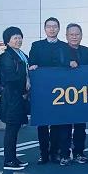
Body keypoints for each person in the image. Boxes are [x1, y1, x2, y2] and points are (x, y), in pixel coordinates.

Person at [29, 17, 69, 165]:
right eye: (49, 26)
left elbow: (67, 65)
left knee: (58, 123)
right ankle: (43, 154)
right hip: (42, 92)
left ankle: (55, 152)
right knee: (43, 125)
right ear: (45, 29)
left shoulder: (65, 46)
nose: (52, 29)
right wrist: (33, 66)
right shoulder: (37, 46)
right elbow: (31, 63)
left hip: (60, 92)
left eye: (55, 26)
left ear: (59, 28)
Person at [58, 23, 88, 166]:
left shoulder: (87, 51)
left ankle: (79, 152)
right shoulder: (60, 50)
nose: (74, 37)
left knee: (80, 127)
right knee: (64, 127)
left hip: (82, 94)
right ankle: (64, 154)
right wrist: (68, 63)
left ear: (81, 35)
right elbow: (55, 66)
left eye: (77, 34)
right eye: (71, 34)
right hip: (63, 95)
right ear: (66, 36)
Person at [0, 27, 31, 171]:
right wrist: (23, 90)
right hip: (12, 98)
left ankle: (13, 158)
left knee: (15, 128)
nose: (18, 40)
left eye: (19, 37)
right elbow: (10, 78)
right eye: (15, 38)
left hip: (19, 98)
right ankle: (8, 161)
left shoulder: (21, 55)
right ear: (8, 41)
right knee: (11, 129)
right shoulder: (6, 56)